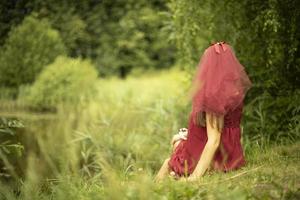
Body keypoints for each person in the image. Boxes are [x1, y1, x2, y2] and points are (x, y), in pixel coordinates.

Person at [154, 41, 252, 182]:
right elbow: (225, 129)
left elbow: (214, 140)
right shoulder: (234, 90)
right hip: (231, 153)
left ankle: (154, 187)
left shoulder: (215, 95)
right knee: (179, 139)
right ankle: (170, 176)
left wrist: (194, 177)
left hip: (219, 157)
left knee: (172, 153)